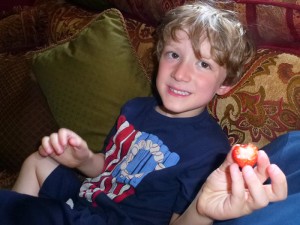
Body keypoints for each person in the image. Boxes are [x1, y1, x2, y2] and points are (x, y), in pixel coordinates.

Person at [0, 2, 287, 225]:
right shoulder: (135, 108)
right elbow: (109, 167)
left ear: (224, 85)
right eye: (174, 55)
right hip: (85, 202)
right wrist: (84, 159)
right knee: (40, 160)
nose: (181, 73)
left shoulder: (210, 152)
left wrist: (203, 210)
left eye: (203, 64)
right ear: (159, 57)